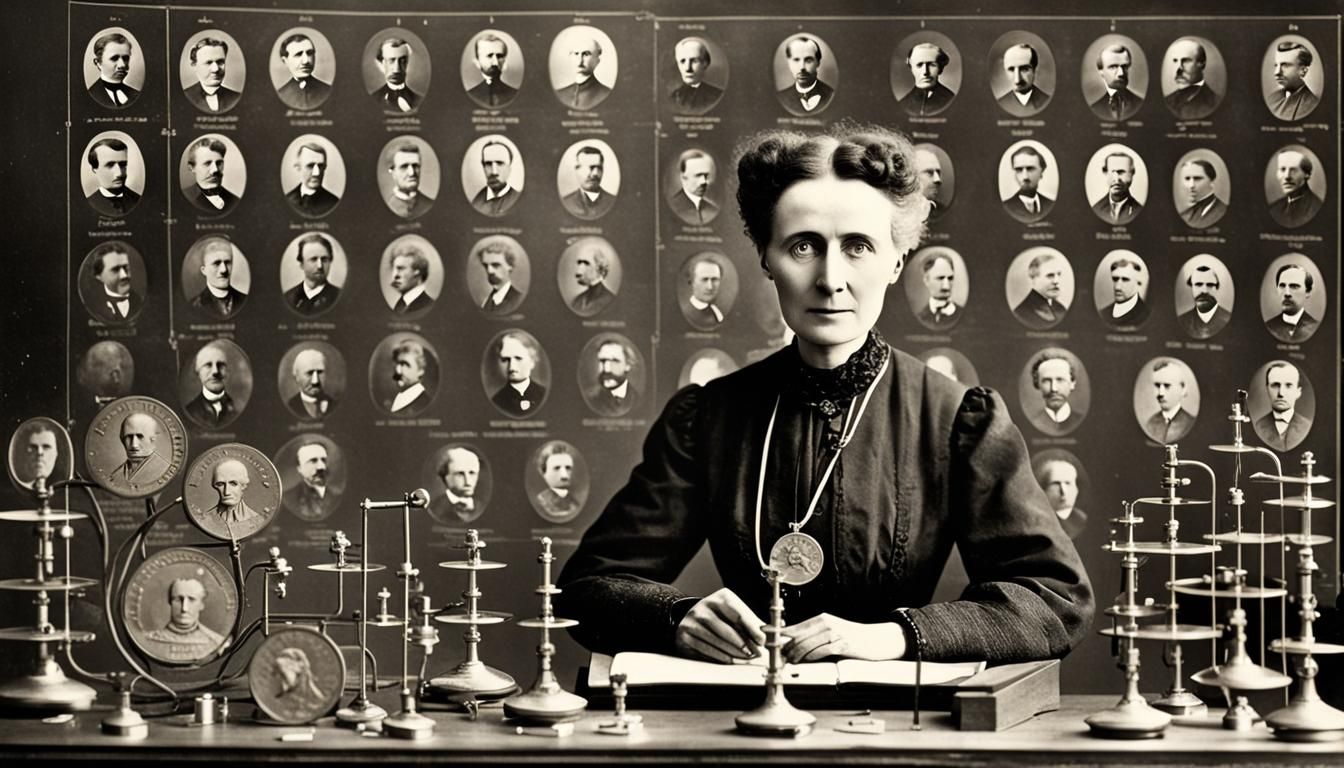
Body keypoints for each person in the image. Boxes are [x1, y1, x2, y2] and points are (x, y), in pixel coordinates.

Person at [556, 127, 1092, 666]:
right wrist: (677, 617)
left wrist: (895, 637)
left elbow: (1055, 598)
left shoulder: (956, 420)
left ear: (897, 260)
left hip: (900, 730)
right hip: (745, 725)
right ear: (766, 257)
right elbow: (589, 586)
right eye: (803, 246)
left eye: (858, 247)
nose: (831, 279)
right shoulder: (709, 418)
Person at [144, 578, 226, 657]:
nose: (184, 608)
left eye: (191, 599)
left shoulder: (218, 642)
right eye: (178, 599)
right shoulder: (148, 640)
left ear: (201, 605)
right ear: (170, 602)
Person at [1253, 362, 1311, 452]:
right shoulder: (1259, 427)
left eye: (1288, 386)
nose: (1281, 393)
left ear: (1298, 392)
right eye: (1275, 385)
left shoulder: (1306, 426)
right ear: (1267, 389)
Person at [283, 233, 341, 315]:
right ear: (302, 264)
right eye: (313, 259)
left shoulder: (339, 297)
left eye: (324, 259)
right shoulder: (288, 297)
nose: (320, 266)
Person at [1028, 352, 1083, 436]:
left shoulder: (1081, 420)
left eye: (1060, 380)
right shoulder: (1033, 422)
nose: (1054, 389)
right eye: (1046, 381)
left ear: (1072, 383)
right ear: (1037, 384)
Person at [492, 333, 546, 417]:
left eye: (518, 358)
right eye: (506, 359)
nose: (511, 367)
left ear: (532, 361)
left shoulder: (543, 395)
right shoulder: (496, 401)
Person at [554, 31, 612, 110]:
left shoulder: (606, 94)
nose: (579, 60)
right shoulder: (560, 94)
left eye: (586, 54)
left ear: (597, 61)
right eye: (576, 53)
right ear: (570, 57)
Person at [185, 343, 238, 428]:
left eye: (221, 365)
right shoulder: (190, 411)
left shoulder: (236, 408)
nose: (215, 371)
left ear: (228, 372)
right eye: (208, 365)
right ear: (198, 373)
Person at [776, 36, 834, 114]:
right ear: (789, 63)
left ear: (818, 63)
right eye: (796, 60)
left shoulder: (830, 95)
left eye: (808, 60)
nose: (802, 67)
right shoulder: (781, 97)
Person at [1176, 259, 1232, 340]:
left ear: (1217, 288)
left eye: (1210, 285)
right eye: (1198, 284)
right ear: (1192, 288)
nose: (1204, 290)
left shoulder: (1227, 319)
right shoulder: (1183, 321)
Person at [190, 239, 247, 319]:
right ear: (204, 270)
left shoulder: (245, 300)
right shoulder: (195, 305)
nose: (224, 270)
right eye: (216, 263)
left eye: (227, 262)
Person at [87, 242, 142, 324]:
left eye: (126, 268)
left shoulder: (139, 302)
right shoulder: (92, 305)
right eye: (115, 270)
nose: (124, 275)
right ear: (99, 276)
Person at [1012, 251, 1068, 329]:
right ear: (1033, 279)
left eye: (1059, 274)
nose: (1056, 281)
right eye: (1050, 275)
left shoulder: (1061, 309)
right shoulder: (1020, 314)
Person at [1265, 263, 1320, 343]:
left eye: (1294, 286)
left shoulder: (1317, 328)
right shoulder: (1268, 327)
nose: (1287, 293)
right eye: (1282, 286)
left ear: (1308, 292)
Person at [183, 137, 239, 215]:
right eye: (207, 163)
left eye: (219, 163)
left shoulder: (235, 201)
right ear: (191, 168)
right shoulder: (183, 198)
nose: (215, 170)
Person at [1144, 360, 1196, 444]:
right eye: (1157, 385)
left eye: (1167, 385)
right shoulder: (1150, 423)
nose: (1161, 393)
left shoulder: (1190, 423)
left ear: (1182, 389)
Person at [1268, 150, 1323, 228]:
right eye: (1283, 169)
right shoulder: (1274, 208)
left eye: (1293, 170)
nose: (1287, 176)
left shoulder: (1316, 209)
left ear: (1307, 174)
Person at [1165, 39, 1218, 120]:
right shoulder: (1167, 101)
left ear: (1202, 64)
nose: (1178, 69)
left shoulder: (1214, 102)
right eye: (1175, 61)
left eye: (1185, 61)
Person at [184, 37, 241, 113]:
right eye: (208, 63)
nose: (216, 69)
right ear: (194, 65)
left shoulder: (236, 97)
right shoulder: (185, 96)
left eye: (220, 62)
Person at [86, 137, 140, 217]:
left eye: (123, 164)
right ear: (94, 169)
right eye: (110, 165)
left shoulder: (138, 200)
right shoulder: (88, 203)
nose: (119, 173)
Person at [276, 32, 332, 110]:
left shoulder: (328, 91)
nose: (306, 61)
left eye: (309, 53)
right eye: (298, 54)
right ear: (285, 61)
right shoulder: (280, 95)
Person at [110, 413, 170, 484]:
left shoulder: (164, 470)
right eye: (129, 437)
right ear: (122, 439)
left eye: (140, 436)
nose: (134, 445)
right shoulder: (115, 476)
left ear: (153, 439)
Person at [560, 145, 616, 220]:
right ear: (577, 170)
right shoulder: (566, 202)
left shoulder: (614, 202)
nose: (596, 173)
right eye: (591, 167)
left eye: (599, 168)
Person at [285, 142, 340, 218]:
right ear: (298, 167)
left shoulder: (334, 203)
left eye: (320, 166)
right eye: (310, 166)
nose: (316, 173)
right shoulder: (287, 200)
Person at [587, 338, 639, 417]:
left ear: (627, 365)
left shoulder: (638, 399)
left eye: (615, 361)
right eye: (602, 361)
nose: (607, 369)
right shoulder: (591, 398)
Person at [1089, 44, 1142, 121]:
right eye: (1113, 67)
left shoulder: (1140, 103)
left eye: (1124, 67)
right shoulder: (1095, 108)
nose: (1121, 73)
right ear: (1101, 72)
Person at [669, 37, 723, 113]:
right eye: (682, 61)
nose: (688, 68)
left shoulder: (716, 96)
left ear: (705, 63)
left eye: (694, 61)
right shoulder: (674, 97)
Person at [1269, 41, 1320, 121]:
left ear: (1303, 71)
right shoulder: (1272, 98)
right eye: (1276, 65)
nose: (1277, 72)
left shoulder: (1312, 105)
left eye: (1285, 65)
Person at [1002, 144, 1053, 224]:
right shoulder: (1006, 207)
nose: (1025, 177)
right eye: (1019, 170)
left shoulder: (1050, 204)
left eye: (1030, 169)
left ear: (1041, 172)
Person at [1036, 460, 1086, 540]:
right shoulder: (1036, 522)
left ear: (1076, 489)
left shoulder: (1082, 520)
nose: (1063, 491)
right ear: (1044, 489)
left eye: (1068, 483)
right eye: (1056, 484)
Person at [902, 43, 955, 116]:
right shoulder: (904, 103)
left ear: (940, 69)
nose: (925, 72)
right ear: (911, 68)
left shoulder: (951, 100)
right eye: (919, 65)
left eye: (932, 65)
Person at [668, 149, 720, 225]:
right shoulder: (675, 207)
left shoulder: (712, 209)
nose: (704, 182)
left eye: (706, 176)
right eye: (698, 176)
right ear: (684, 177)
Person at [997, 43, 1050, 117]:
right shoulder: (998, 104)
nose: (1017, 80)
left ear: (1035, 70)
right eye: (1011, 69)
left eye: (1024, 69)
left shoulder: (1049, 102)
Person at [467, 33, 518, 109]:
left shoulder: (514, 94)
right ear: (477, 61)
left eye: (499, 56)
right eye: (489, 56)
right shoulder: (470, 95)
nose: (495, 62)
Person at [283, 442, 332, 521]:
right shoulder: (288, 498)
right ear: (300, 468)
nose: (321, 467)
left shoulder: (336, 496)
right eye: (313, 461)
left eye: (323, 460)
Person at [88, 32, 139, 108]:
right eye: (114, 58)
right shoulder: (90, 95)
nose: (122, 65)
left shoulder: (136, 94)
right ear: (98, 63)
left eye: (125, 58)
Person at [1091, 152, 1142, 225]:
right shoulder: (1096, 209)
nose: (1116, 179)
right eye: (1112, 172)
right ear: (1105, 172)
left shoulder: (1139, 210)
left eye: (1121, 172)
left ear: (1132, 173)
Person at [384, 143, 434, 219]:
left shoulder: (430, 204)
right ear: (392, 171)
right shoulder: (387, 207)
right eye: (404, 166)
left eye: (415, 166)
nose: (412, 173)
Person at [470, 140, 519, 216]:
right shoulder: (476, 202)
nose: (494, 172)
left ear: (509, 168)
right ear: (483, 167)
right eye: (488, 164)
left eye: (500, 163)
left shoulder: (518, 200)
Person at [534, 442, 581, 522]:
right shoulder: (541, 501)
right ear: (543, 472)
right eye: (556, 468)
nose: (564, 475)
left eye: (568, 468)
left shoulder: (575, 503)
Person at [372, 37, 419, 113]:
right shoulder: (373, 99)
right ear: (381, 64)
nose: (396, 69)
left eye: (403, 61)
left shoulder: (418, 99)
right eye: (391, 61)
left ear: (408, 63)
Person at [1100, 255, 1150, 328]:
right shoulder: (1103, 313)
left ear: (1138, 283)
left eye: (1125, 279)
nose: (1117, 287)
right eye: (1115, 279)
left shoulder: (1145, 315)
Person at [477, 239, 525, 314]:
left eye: (495, 265)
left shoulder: (519, 300)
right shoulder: (486, 301)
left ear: (510, 266)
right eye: (486, 265)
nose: (489, 271)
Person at [1177, 158, 1227, 229]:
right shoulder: (1184, 215)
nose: (1191, 185)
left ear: (1212, 182)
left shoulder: (1223, 211)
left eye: (1197, 178)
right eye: (1187, 179)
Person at [915, 251, 960, 329]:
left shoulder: (963, 314)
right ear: (926, 280)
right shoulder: (919, 317)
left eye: (950, 278)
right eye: (940, 278)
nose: (946, 286)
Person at [387, 242, 434, 315]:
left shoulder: (429, 305)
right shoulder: (400, 304)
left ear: (417, 271)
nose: (395, 275)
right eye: (394, 269)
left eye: (400, 268)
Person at [286, 348, 333, 420]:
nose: (315, 381)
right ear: (296, 377)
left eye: (320, 372)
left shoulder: (334, 404)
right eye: (309, 373)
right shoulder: (290, 406)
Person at [438, 447, 482, 522]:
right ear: (445, 477)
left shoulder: (481, 507)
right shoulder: (436, 508)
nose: (468, 482)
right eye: (460, 474)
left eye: (472, 473)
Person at [388, 339, 431, 415]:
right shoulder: (399, 399)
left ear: (420, 370)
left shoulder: (423, 404)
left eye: (405, 365)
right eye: (397, 364)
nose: (398, 370)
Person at [570, 245, 616, 315]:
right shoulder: (576, 301)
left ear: (599, 269)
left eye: (586, 263)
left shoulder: (610, 301)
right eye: (580, 263)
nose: (579, 271)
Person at [208, 459, 258, 524]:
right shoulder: (205, 518)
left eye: (233, 484)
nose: (226, 492)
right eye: (220, 484)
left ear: (243, 485)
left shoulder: (256, 519)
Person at [683, 258, 724, 330]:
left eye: (715, 279)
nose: (710, 287)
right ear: (692, 282)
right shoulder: (686, 312)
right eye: (704, 279)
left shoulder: (717, 312)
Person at [914, 148, 946, 219]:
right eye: (929, 172)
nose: (938, 180)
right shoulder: (897, 209)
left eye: (938, 172)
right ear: (913, 175)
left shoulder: (943, 212)